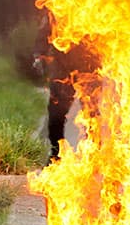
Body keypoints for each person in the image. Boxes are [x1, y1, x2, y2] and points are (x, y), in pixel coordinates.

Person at [33, 10, 100, 163]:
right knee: (56, 112)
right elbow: (43, 33)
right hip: (63, 67)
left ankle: (95, 154)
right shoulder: (59, 6)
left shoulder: (95, 4)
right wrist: (38, 55)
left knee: (92, 113)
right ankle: (55, 154)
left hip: (89, 68)